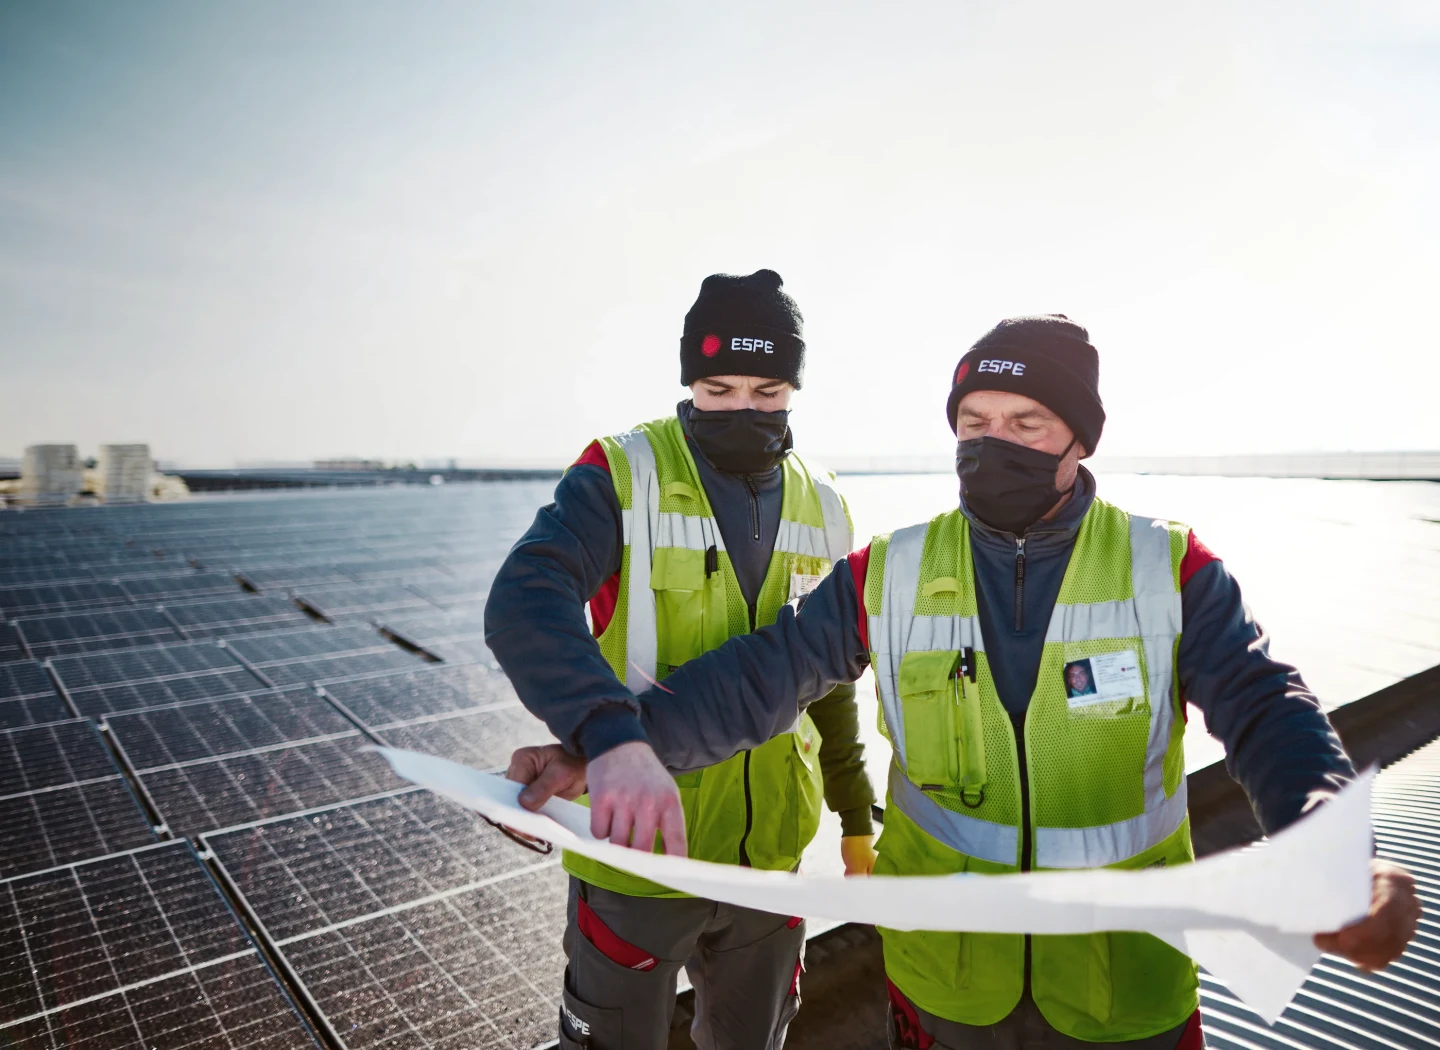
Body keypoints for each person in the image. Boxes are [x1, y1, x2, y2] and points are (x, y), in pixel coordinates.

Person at [508, 315, 1422, 1050]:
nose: (995, 446)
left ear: (1079, 437)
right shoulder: (889, 573)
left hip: (1122, 996)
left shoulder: (1167, 568)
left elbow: (1267, 705)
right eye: (974, 424)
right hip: (945, 990)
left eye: (1026, 425)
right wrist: (605, 745)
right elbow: (758, 680)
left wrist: (1325, 838)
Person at [484, 269, 877, 1050]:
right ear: (689, 380)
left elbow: (827, 673)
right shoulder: (622, 474)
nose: (742, 409)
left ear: (795, 387)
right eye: (718, 386)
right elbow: (526, 599)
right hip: (638, 851)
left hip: (767, 861)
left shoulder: (825, 501)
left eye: (767, 391)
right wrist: (610, 736)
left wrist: (853, 812)